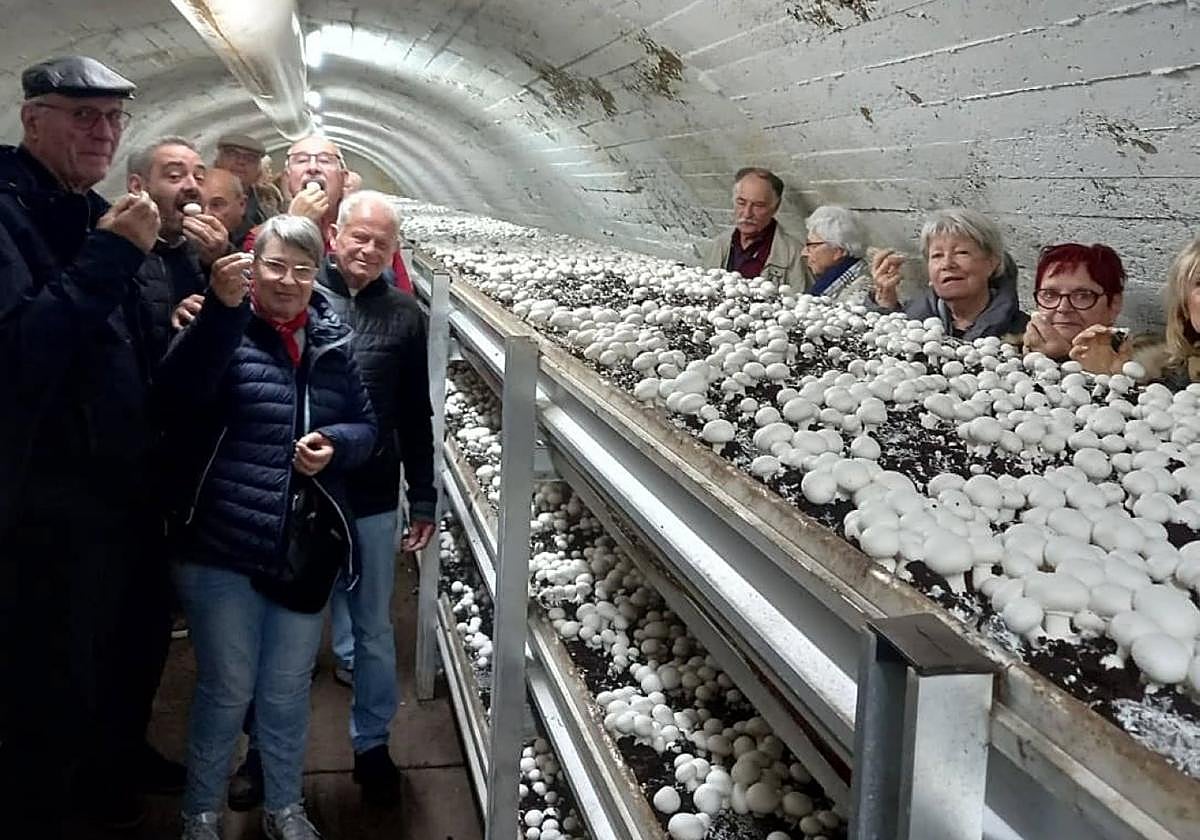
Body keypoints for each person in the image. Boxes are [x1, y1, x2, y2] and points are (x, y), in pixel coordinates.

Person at [157, 214, 376, 840]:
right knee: (227, 686)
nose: (288, 281)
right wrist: (219, 318)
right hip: (222, 544)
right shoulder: (218, 326)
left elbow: (366, 429)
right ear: (250, 269)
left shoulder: (332, 342)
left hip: (299, 549)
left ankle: (285, 805)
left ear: (317, 276)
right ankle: (201, 812)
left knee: (283, 690)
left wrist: (333, 443)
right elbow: (175, 397)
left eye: (303, 270)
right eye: (275, 266)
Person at [0, 56, 163, 837]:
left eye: (113, 118)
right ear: (33, 120)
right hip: (45, 510)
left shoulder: (90, 206)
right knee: (50, 687)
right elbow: (21, 357)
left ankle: (109, 789)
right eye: (82, 116)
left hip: (114, 497)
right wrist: (112, 257)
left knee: (119, 659)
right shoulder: (9, 215)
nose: (102, 132)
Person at [127, 136, 224, 360]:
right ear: (137, 186)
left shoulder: (205, 252)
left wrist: (218, 263)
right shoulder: (117, 251)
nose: (192, 186)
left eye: (199, 178)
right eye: (174, 176)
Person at [870, 207, 1028, 341]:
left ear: (992, 263)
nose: (947, 264)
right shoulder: (911, 322)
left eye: (962, 253)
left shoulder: (1024, 334)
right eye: (937, 255)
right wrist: (885, 308)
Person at [702, 167, 809, 289]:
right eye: (741, 203)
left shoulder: (793, 256)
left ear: (775, 207)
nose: (747, 213)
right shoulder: (718, 245)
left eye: (758, 205)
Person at [1018, 243, 1125, 361]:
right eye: (1049, 294)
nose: (1063, 308)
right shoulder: (1000, 356)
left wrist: (1062, 359)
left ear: (1114, 305)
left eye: (1082, 296)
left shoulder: (1138, 373)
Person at [214, 133, 281, 245]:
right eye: (232, 154)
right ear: (217, 161)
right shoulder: (198, 196)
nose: (241, 162)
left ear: (258, 171)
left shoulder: (267, 212)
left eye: (250, 158)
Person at [802, 205, 872, 305]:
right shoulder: (835, 282)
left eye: (812, 246)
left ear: (838, 251)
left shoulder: (860, 292)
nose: (804, 252)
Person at [203, 167, 248, 250]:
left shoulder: (260, 242)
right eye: (200, 205)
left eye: (216, 205)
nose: (205, 214)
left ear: (242, 204)